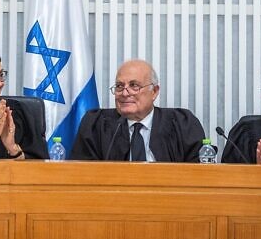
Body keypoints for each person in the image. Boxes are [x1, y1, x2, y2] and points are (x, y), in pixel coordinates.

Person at [72, 59, 205, 162]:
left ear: (154, 91)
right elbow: (82, 175)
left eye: (134, 85)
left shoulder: (182, 124)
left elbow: (200, 175)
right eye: (119, 86)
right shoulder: (96, 125)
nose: (124, 93)